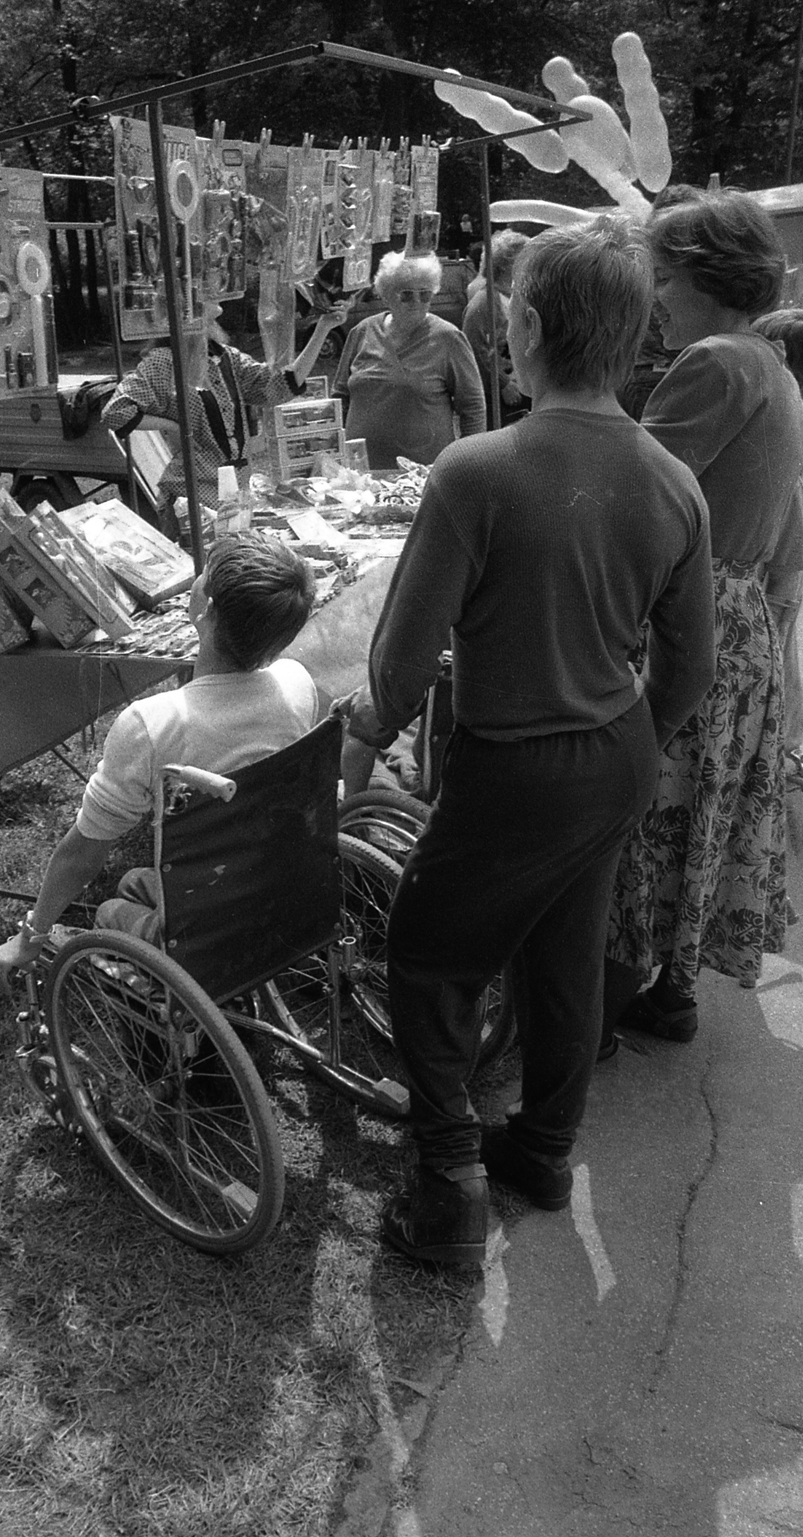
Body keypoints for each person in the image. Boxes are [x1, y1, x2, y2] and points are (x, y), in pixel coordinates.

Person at [337, 216, 716, 1265]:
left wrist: (364, 740)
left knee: (427, 957)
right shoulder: (672, 480)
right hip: (616, 750)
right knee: (563, 954)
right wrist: (622, 734)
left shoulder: (476, 469)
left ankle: (446, 1185)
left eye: (508, 315)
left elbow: (399, 663)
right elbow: (688, 668)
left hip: (513, 762)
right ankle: (541, 1150)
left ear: (533, 328)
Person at [604, 192, 803, 1048]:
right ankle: (669, 991)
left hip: (692, 615)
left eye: (662, 277)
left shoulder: (717, 361)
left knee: (643, 810)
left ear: (706, 277)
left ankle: (595, 1017)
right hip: (738, 614)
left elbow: (629, 490)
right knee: (698, 808)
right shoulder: (767, 363)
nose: (653, 297)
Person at [0, 536, 318, 982]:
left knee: (110, 908)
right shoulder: (297, 684)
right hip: (284, 890)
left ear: (206, 611)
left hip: (209, 928)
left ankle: (165, 1000)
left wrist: (31, 936)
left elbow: (84, 852)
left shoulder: (153, 724)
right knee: (133, 882)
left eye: (203, 574)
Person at [102, 301, 346, 541]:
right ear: (189, 304)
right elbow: (116, 411)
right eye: (207, 290)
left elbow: (279, 387)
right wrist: (173, 425)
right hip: (192, 496)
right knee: (204, 563)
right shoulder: (165, 361)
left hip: (236, 492)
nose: (218, 295)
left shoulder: (226, 357)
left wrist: (322, 329)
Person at [331, 251, 486, 471]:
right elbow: (340, 397)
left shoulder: (448, 338)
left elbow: (473, 407)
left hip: (423, 473)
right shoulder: (362, 331)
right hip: (362, 473)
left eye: (425, 294)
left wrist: (468, 464)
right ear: (385, 294)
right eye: (406, 295)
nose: (417, 302)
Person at [752, 306, 803, 793]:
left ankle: (783, 753)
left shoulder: (784, 437)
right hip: (781, 582)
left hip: (775, 586)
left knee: (782, 657)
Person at [461, 229, 530, 426]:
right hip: (502, 396)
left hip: (527, 388)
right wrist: (502, 383)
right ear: (506, 263)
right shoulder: (484, 303)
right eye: (524, 257)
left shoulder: (523, 296)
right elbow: (474, 348)